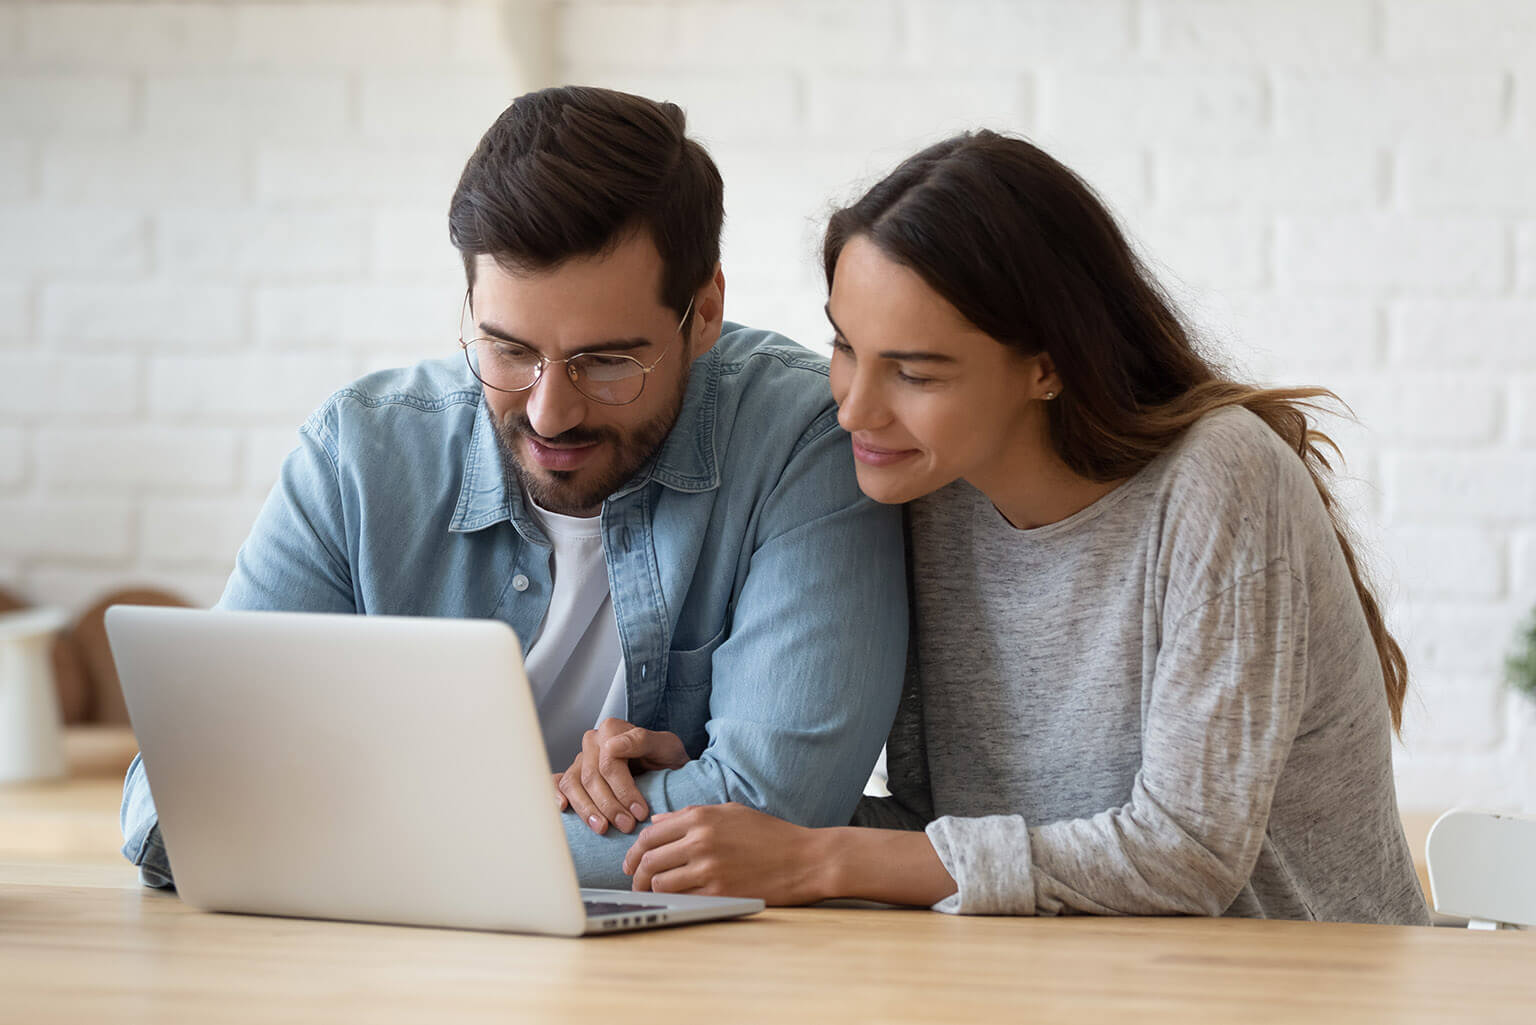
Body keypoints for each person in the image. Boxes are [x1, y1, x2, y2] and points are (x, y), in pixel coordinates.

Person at [561, 131, 1432, 925]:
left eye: (915, 372)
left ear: (1047, 366)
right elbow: (945, 839)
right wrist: (706, 804)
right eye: (846, 348)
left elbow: (1187, 857)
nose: (855, 406)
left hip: (1300, 984)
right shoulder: (927, 493)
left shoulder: (1218, 478)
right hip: (1065, 981)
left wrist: (819, 854)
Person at [119, 86, 907, 891]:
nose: (550, 412)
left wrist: (362, 827)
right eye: (507, 349)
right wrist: (515, 819)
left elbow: (776, 811)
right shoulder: (359, 457)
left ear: (703, 312)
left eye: (605, 362)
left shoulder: (803, 441)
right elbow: (173, 804)